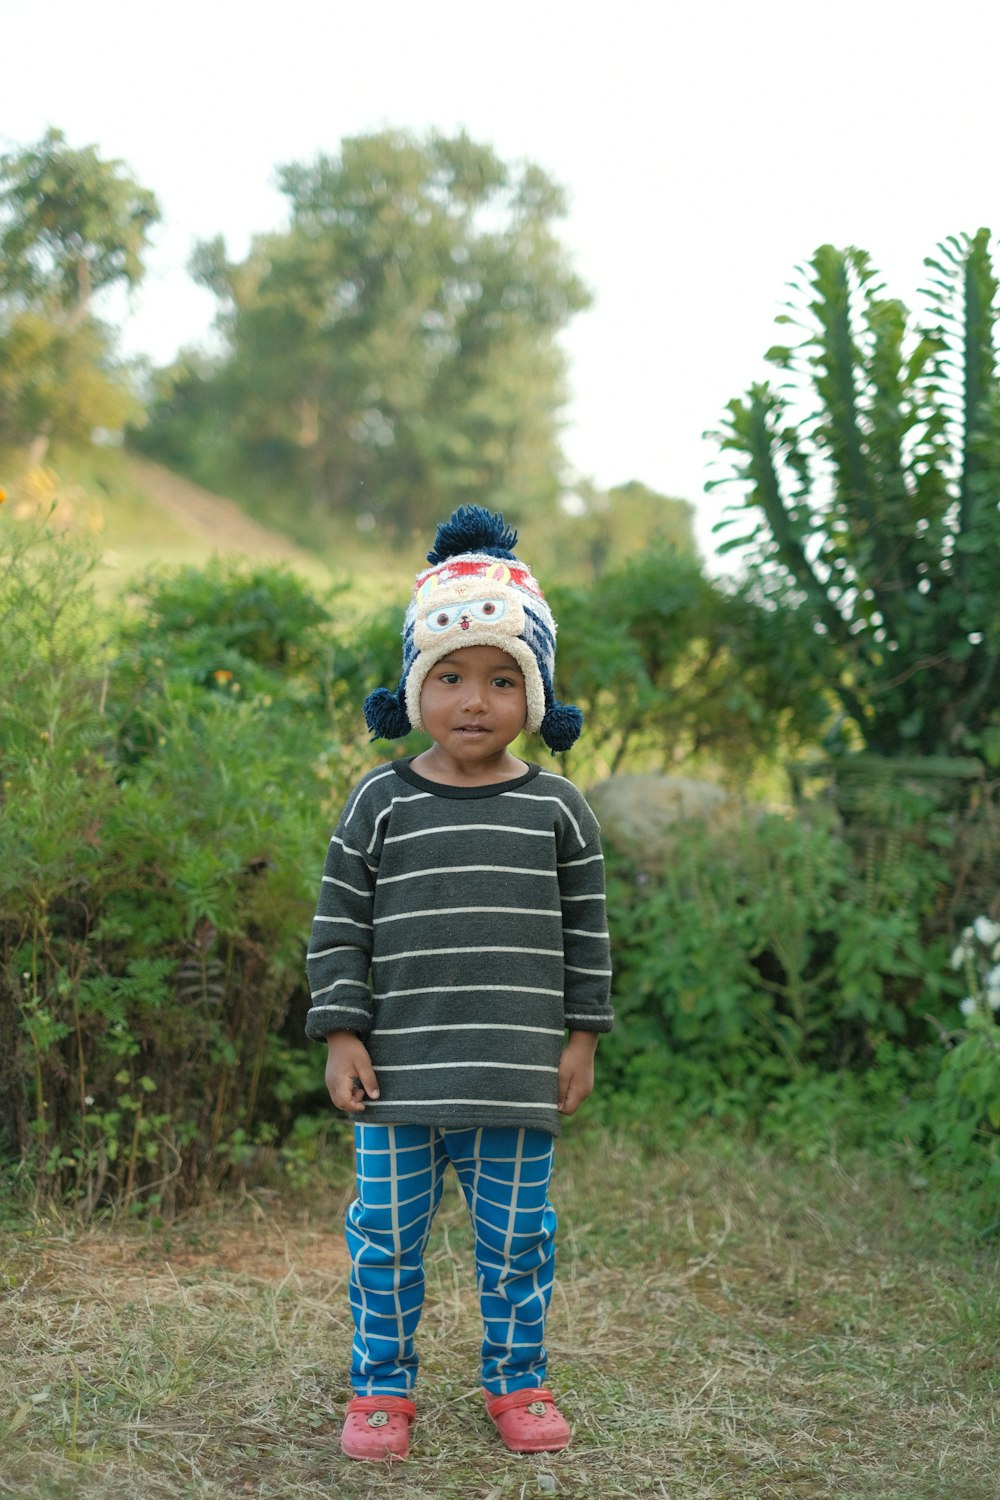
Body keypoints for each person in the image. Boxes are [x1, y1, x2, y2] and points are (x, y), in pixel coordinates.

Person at [305, 506, 613, 1462]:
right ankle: (381, 1390)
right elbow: (338, 921)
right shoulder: (381, 801)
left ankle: (517, 1380)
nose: (474, 701)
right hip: (398, 1081)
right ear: (413, 688)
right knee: (385, 1242)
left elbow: (587, 931)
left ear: (536, 694)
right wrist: (341, 1034)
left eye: (501, 679)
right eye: (449, 677)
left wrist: (582, 1037)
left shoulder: (558, 810)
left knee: (518, 1244)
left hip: (514, 1080)